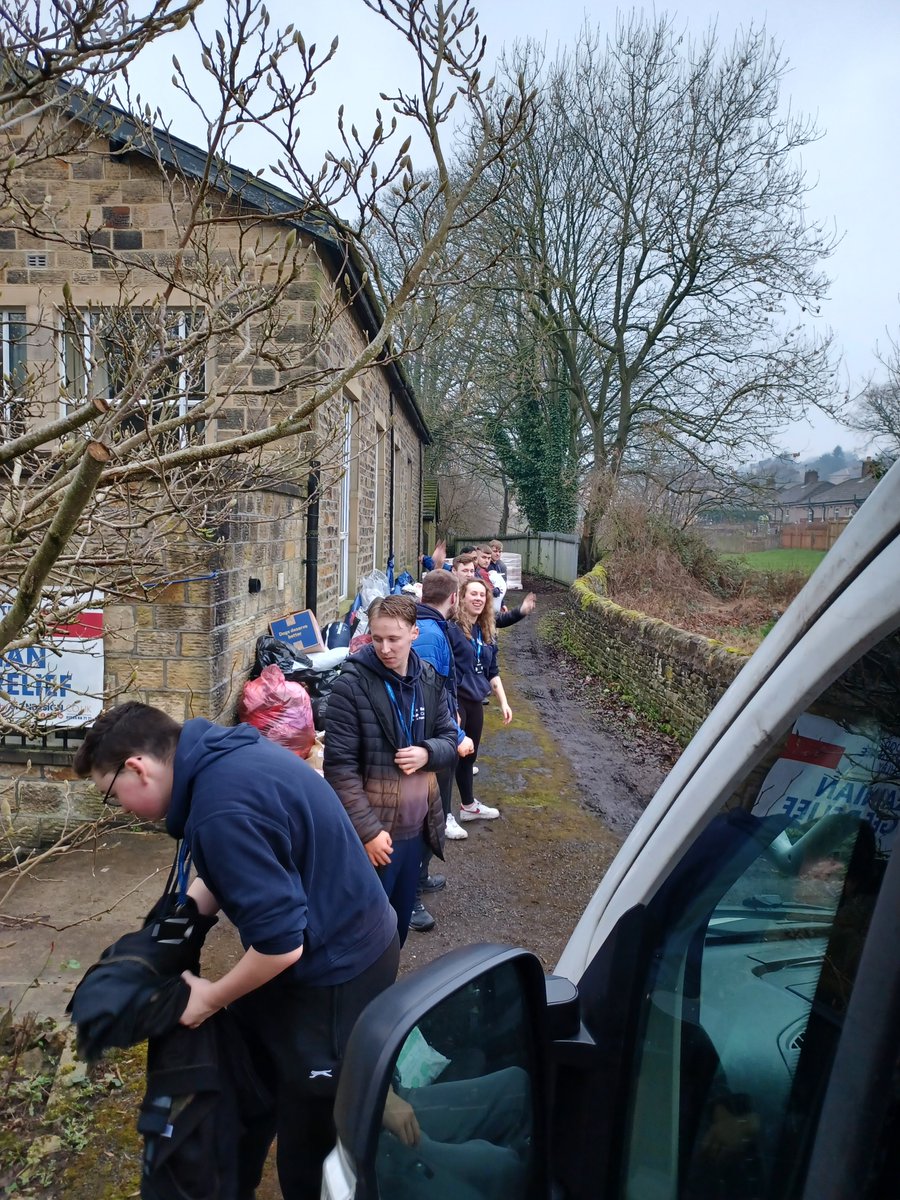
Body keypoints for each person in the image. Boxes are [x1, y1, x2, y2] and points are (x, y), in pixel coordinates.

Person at [72, 701, 400, 1200]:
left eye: (113, 796)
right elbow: (255, 857)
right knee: (259, 1068)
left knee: (310, 1139)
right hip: (333, 931)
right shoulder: (226, 754)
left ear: (137, 767)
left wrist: (211, 997)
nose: (120, 809)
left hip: (339, 968)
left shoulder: (219, 809)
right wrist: (189, 914)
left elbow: (281, 946)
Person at [324, 594, 459, 944]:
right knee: (364, 932)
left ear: (414, 633)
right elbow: (339, 769)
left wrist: (426, 753)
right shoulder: (349, 686)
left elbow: (449, 739)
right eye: (377, 638)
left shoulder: (428, 677)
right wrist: (367, 831)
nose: (385, 648)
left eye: (394, 639)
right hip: (375, 834)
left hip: (415, 830)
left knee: (396, 931)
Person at [412, 571, 476, 927]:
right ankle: (410, 898)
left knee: (433, 816)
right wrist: (452, 735)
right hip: (429, 744)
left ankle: (420, 879)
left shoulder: (431, 627)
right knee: (423, 819)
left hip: (437, 740)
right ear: (453, 599)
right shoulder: (431, 634)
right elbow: (424, 695)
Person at [448, 577, 513, 821]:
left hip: (475, 702)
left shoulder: (486, 631)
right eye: (472, 594)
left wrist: (504, 702)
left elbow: (492, 671)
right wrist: (449, 707)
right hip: (456, 702)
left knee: (469, 756)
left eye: (482, 595)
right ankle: (444, 816)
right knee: (450, 758)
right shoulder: (452, 629)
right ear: (462, 598)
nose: (478, 598)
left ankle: (468, 807)